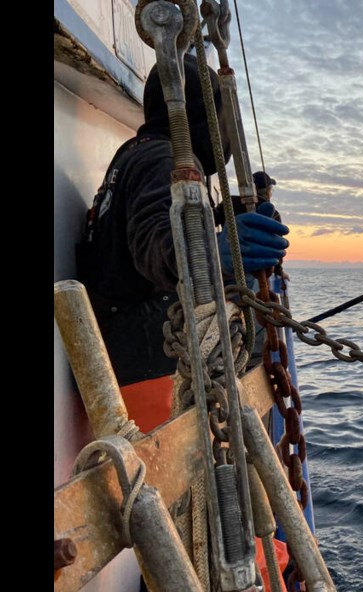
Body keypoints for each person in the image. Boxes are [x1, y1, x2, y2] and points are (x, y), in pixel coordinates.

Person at [77, 53, 289, 434]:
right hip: (146, 365)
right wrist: (220, 252)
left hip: (122, 348)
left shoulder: (136, 152)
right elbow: (156, 245)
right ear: (201, 116)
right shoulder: (165, 159)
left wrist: (230, 212)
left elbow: (165, 218)